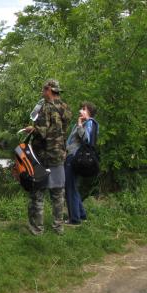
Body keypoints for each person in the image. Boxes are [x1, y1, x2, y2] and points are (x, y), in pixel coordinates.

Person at [24, 79, 72, 235]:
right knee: (58, 193)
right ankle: (59, 228)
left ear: (49, 90)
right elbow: (61, 130)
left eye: (43, 90)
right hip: (59, 155)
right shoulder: (65, 108)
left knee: (37, 193)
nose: (42, 93)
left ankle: (37, 229)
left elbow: (42, 132)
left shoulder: (46, 108)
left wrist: (32, 129)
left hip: (43, 157)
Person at [65, 102, 99, 225]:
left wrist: (79, 125)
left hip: (75, 158)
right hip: (72, 156)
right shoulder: (86, 123)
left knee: (70, 187)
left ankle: (74, 219)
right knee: (73, 186)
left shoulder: (89, 123)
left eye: (83, 109)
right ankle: (81, 215)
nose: (80, 111)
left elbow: (86, 140)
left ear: (89, 112)